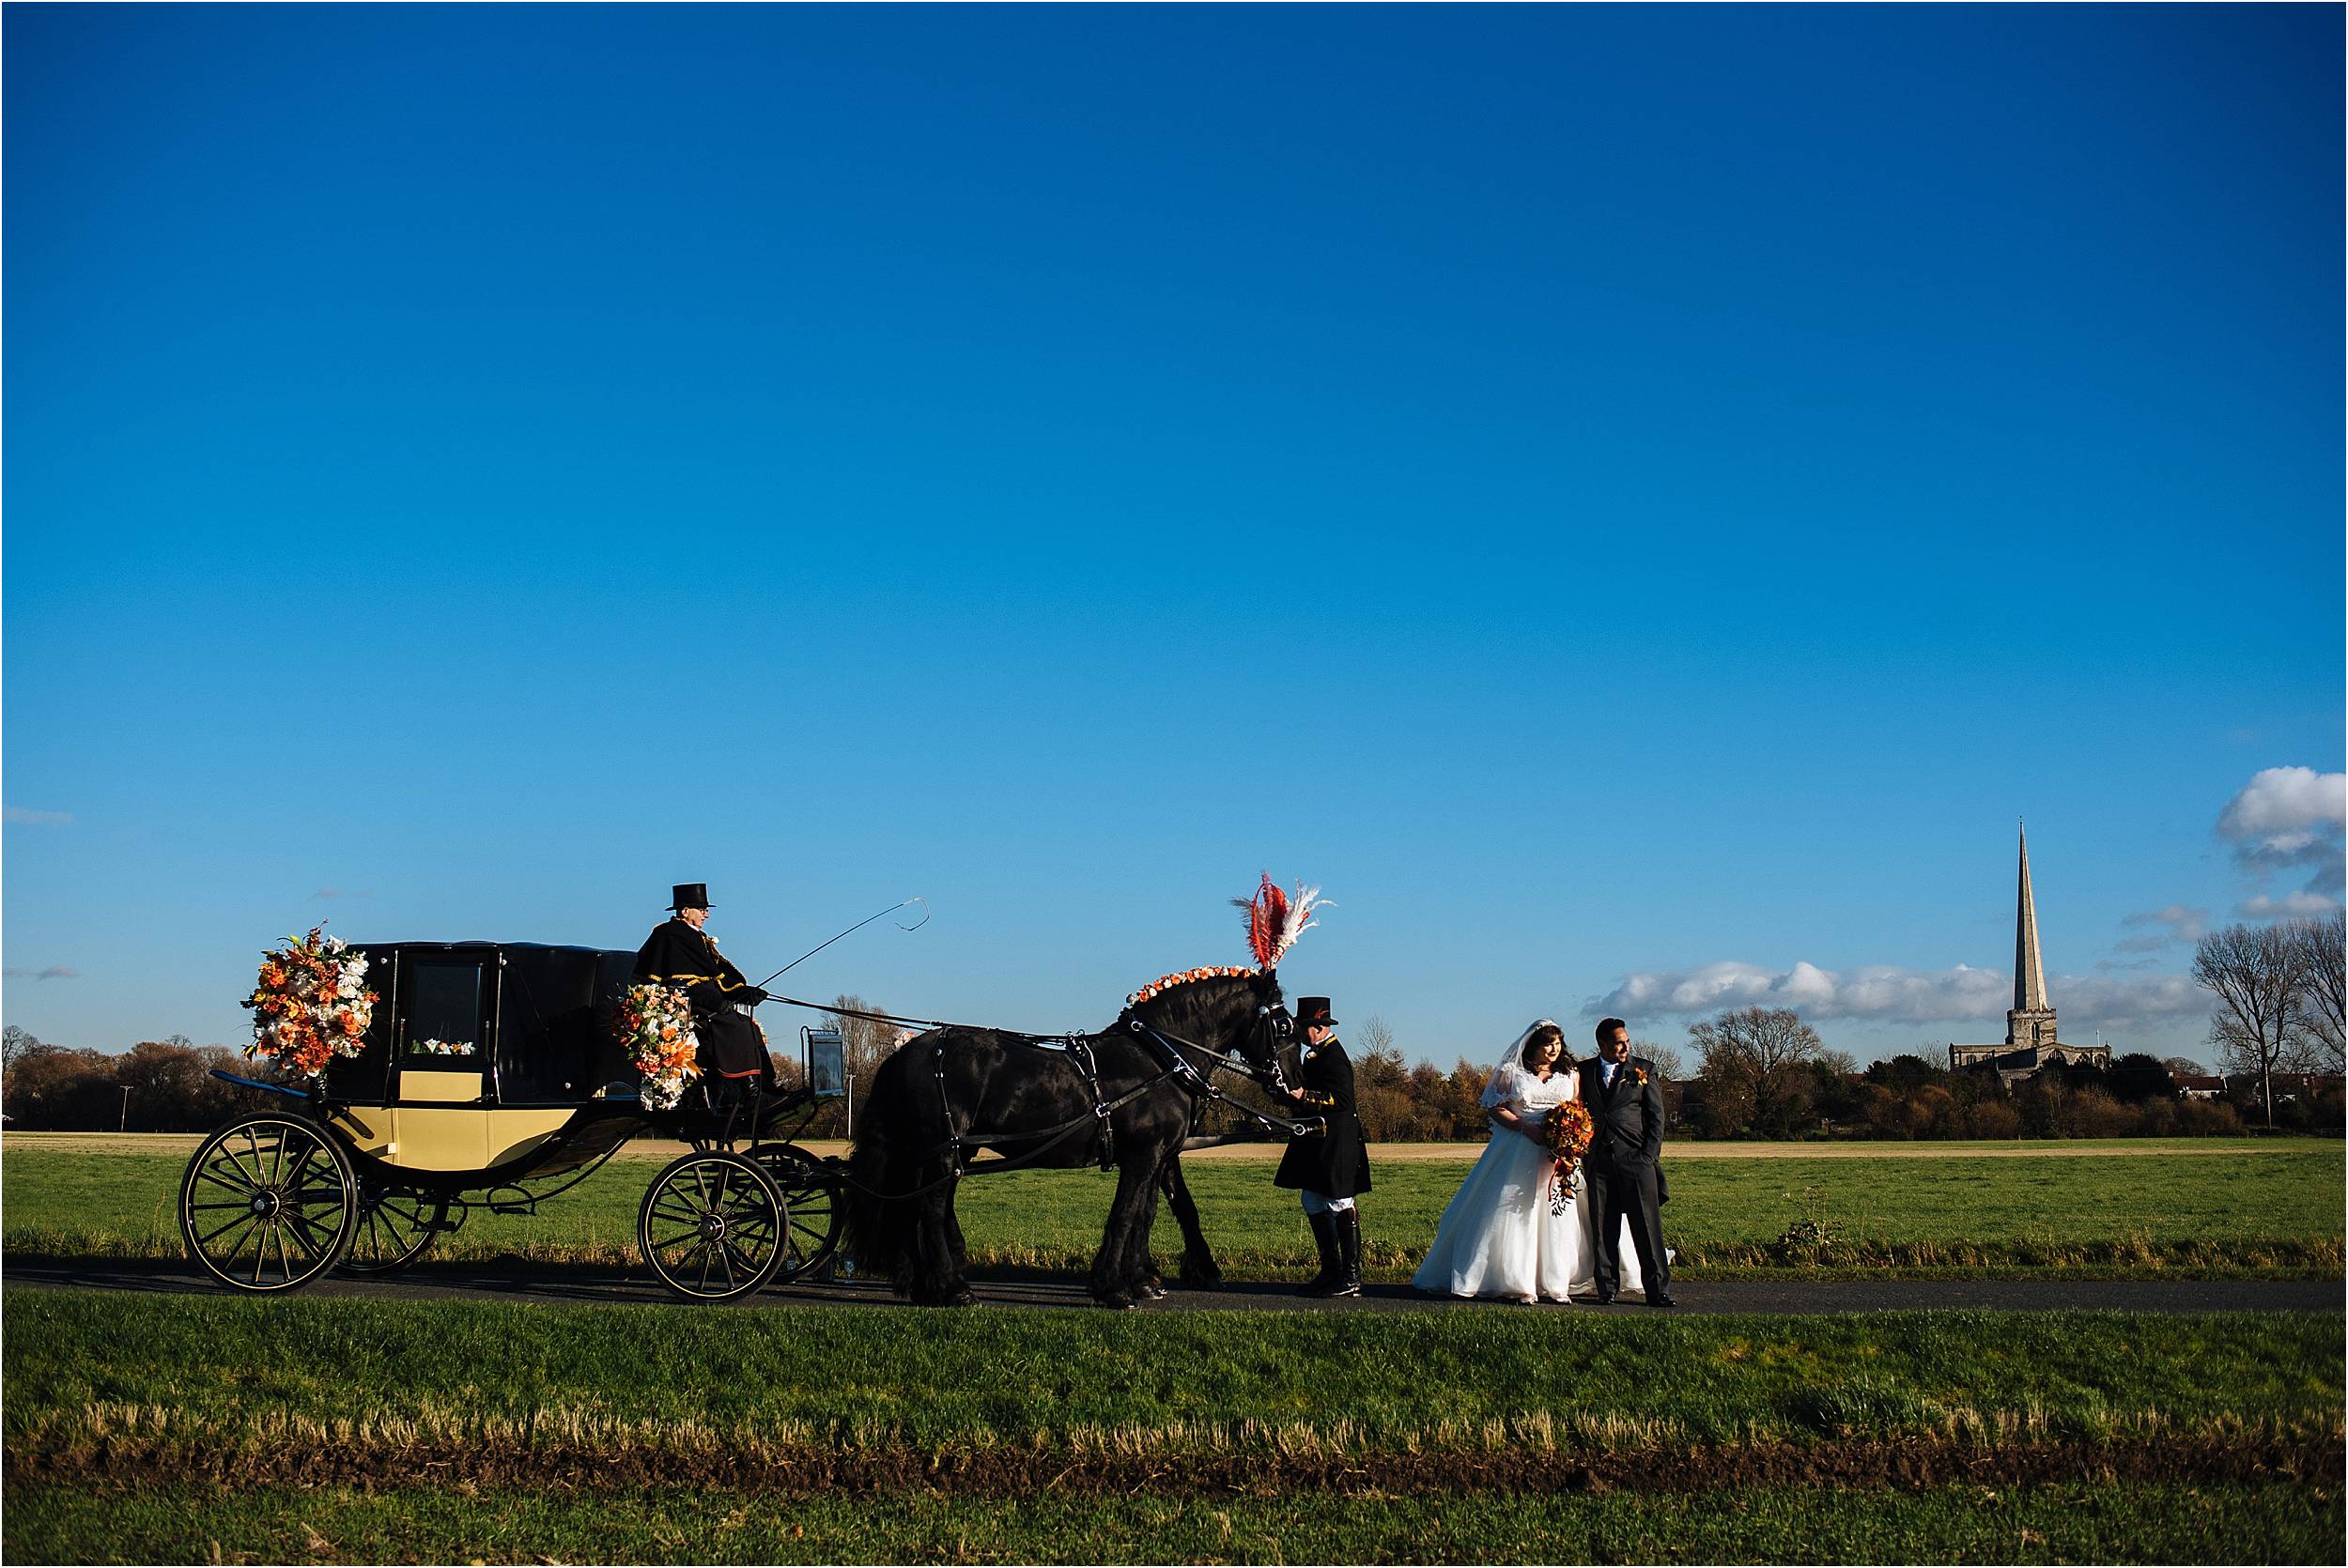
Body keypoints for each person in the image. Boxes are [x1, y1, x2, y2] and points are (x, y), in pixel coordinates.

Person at [1412, 1020, 1645, 1303]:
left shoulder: (1569, 1073)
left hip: (1558, 1153)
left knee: (1560, 1214)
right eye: (1548, 1044)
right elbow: (1495, 1108)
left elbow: (1578, 1107)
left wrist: (1572, 1133)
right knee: (1514, 1213)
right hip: (1518, 1148)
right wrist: (1525, 1127)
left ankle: (1557, 1279)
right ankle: (1519, 1280)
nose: (1554, 1049)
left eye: (1558, 1043)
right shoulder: (1511, 1073)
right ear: (1532, 1045)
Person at [1273, 996, 1371, 1297]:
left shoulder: (1335, 1057)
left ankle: (1351, 1277)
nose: (1302, 1034)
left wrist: (1304, 1096)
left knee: (1340, 1203)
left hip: (1337, 1142)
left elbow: (1341, 1101)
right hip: (1317, 1141)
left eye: (1304, 1028)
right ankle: (1330, 1272)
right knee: (1312, 1200)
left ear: (1317, 1027)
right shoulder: (1315, 1055)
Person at [632, 884, 774, 1092]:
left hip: (708, 1003)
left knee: (749, 1026)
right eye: (702, 910)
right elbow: (678, 982)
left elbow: (714, 976)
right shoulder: (671, 935)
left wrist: (744, 992)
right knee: (739, 1027)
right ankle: (748, 1092)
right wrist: (714, 1000)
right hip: (691, 1007)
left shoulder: (694, 936)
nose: (706, 915)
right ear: (685, 910)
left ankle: (766, 1085)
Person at [1579, 1016, 1675, 1307]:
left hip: (1636, 1159)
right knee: (1602, 1227)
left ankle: (1657, 1290)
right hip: (1598, 1161)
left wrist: (1648, 1155)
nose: (1625, 1047)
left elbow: (1656, 1117)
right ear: (1602, 1045)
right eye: (1619, 1043)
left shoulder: (1643, 1069)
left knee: (1646, 1226)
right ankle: (1607, 1288)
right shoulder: (1584, 1071)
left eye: (1627, 1041)